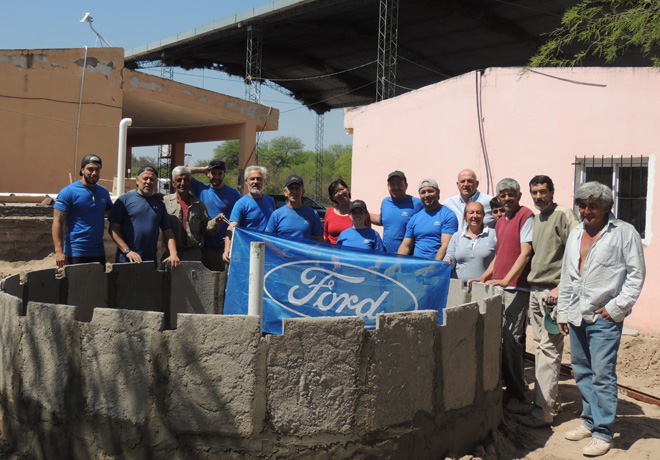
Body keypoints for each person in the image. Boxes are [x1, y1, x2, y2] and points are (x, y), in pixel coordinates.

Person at [557, 182, 645, 457]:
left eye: (592, 205)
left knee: (603, 375)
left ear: (607, 206)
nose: (586, 211)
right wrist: (563, 310)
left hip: (603, 317)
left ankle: (603, 432)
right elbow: (568, 275)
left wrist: (617, 307)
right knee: (582, 372)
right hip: (576, 315)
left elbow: (636, 275)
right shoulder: (575, 233)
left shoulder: (623, 233)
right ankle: (590, 419)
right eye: (582, 205)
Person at [517, 175, 578, 429]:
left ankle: (543, 412)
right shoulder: (538, 218)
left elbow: (577, 253)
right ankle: (549, 403)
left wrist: (561, 287)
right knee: (542, 347)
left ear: (552, 191)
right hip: (536, 290)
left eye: (543, 192)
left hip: (553, 294)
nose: (538, 196)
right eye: (535, 192)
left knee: (549, 350)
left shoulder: (563, 214)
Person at [474, 178, 534, 413]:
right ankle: (505, 386)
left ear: (518, 196)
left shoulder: (525, 216)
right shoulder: (501, 222)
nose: (507, 198)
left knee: (511, 341)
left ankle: (518, 394)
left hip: (516, 288)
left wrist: (508, 279)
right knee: (499, 339)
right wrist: (485, 276)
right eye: (503, 195)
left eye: (511, 194)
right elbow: (499, 256)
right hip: (498, 286)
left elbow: (526, 252)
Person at [108, 165, 180, 269]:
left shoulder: (159, 205)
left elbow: (168, 232)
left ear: (156, 183)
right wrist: (127, 251)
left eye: (152, 179)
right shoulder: (124, 200)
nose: (148, 182)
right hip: (126, 261)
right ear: (137, 181)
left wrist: (173, 253)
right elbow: (113, 229)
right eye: (145, 178)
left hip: (150, 263)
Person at [52, 154, 113, 268]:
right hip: (76, 251)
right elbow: (57, 222)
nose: (94, 173)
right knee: (77, 285)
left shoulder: (103, 192)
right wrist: (59, 252)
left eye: (97, 169)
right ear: (82, 170)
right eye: (90, 169)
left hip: (98, 251)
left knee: (98, 285)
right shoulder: (69, 192)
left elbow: (113, 214)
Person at [163, 166, 225, 262]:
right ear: (173, 183)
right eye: (179, 180)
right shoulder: (165, 202)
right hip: (171, 255)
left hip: (193, 256)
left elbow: (207, 229)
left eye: (186, 180)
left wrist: (215, 222)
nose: (182, 183)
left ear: (190, 182)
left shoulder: (198, 205)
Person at [189, 159, 241, 271]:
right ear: (208, 173)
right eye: (213, 173)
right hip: (201, 246)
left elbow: (240, 219)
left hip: (221, 250)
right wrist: (202, 169)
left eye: (219, 173)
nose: (216, 176)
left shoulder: (234, 194)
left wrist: (231, 238)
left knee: (220, 284)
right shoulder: (200, 188)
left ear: (224, 175)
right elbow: (180, 171)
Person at [223, 165, 275, 263]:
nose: (255, 182)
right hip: (247, 254)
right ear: (246, 181)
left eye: (259, 179)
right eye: (252, 179)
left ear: (264, 181)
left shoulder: (270, 201)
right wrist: (227, 250)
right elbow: (231, 228)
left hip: (267, 254)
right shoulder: (241, 204)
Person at [397, 179, 458, 260]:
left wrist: (433, 266)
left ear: (438, 192)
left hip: (438, 267)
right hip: (417, 268)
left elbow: (446, 245)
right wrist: (397, 264)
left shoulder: (448, 215)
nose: (426, 195)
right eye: (423, 192)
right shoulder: (414, 218)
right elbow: (405, 246)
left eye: (430, 191)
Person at [370, 170, 423, 253]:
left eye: (399, 184)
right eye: (392, 184)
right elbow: (382, 220)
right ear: (388, 186)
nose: (396, 187)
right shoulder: (385, 202)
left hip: (408, 256)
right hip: (387, 255)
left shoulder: (417, 204)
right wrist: (360, 213)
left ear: (406, 185)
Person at [443, 202, 496, 282]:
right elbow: (450, 256)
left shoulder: (494, 234)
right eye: (471, 213)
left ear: (483, 215)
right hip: (459, 288)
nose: (475, 216)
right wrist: (448, 260)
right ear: (465, 216)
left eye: (478, 212)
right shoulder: (457, 236)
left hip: (483, 287)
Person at [265, 175, 323, 240]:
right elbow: (267, 239)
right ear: (285, 192)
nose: (294, 191)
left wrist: (309, 250)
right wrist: (278, 250)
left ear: (303, 192)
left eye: (297, 188)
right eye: (291, 188)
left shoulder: (312, 214)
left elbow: (319, 240)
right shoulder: (276, 214)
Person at [324, 179, 371, 244]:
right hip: (332, 252)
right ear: (332, 197)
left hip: (353, 251)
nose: (340, 193)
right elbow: (325, 236)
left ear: (348, 190)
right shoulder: (329, 212)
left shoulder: (361, 211)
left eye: (342, 189)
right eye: (335, 192)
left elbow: (368, 233)